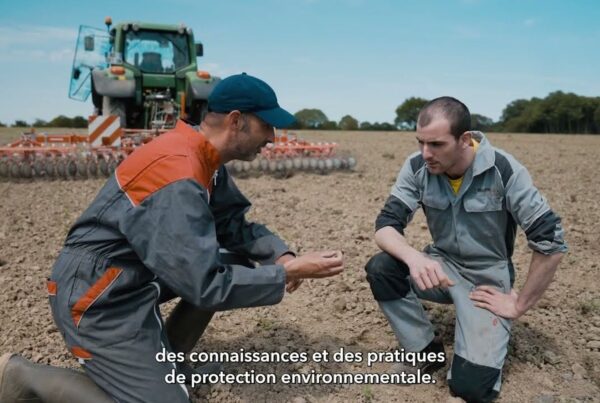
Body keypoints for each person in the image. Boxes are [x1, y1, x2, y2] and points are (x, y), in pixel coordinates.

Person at [0, 73, 344, 403]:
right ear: (236, 121)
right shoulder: (178, 174)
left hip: (129, 274)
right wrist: (285, 274)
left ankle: (169, 365)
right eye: (266, 125)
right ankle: (21, 378)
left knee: (234, 258)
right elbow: (206, 285)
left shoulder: (204, 158)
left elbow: (231, 224)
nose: (272, 137)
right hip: (96, 295)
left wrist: (280, 255)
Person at [364, 96, 567, 402]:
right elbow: (385, 225)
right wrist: (414, 258)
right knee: (382, 268)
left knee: (471, 388)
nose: (425, 153)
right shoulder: (417, 166)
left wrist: (519, 305)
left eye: (436, 144)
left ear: (464, 139)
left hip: (486, 281)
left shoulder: (503, 170)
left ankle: (481, 331)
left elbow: (551, 242)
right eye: (420, 142)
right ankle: (424, 352)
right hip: (442, 267)